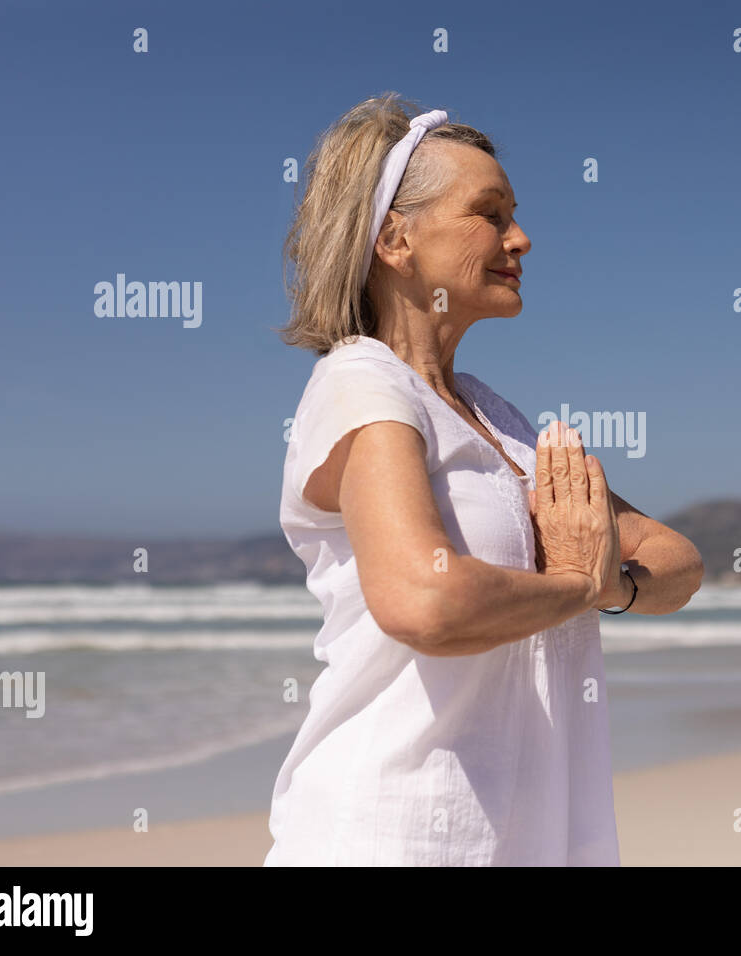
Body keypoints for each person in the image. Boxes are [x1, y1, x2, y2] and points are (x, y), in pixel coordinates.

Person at [264, 93, 704, 865]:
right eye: (490, 214)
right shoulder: (364, 384)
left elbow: (677, 562)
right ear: (396, 239)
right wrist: (575, 582)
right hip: (398, 835)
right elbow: (424, 603)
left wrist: (611, 586)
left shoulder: (497, 418)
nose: (521, 239)